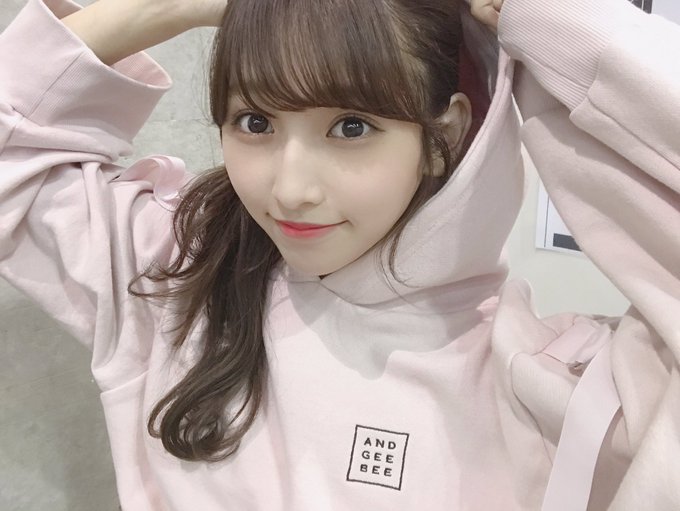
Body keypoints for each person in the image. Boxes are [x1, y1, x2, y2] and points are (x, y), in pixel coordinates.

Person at [0, 0, 678, 509]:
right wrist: (167, 8)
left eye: (351, 127)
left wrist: (558, 24)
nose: (290, 189)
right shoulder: (176, 280)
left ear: (444, 135)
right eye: (256, 122)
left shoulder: (555, 387)